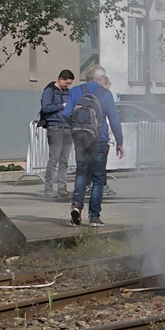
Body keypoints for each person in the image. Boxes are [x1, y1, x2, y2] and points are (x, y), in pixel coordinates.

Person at [63, 65, 124, 227]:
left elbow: (66, 113)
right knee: (97, 178)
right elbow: (114, 120)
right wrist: (120, 142)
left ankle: (76, 206)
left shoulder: (75, 91)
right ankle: (94, 217)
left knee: (81, 173)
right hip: (100, 139)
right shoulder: (105, 94)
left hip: (81, 139)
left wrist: (76, 127)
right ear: (100, 78)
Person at [38, 69, 76, 200]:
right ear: (60, 79)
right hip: (55, 127)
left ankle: (62, 188)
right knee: (53, 160)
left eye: (70, 83)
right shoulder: (49, 91)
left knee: (64, 161)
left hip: (68, 127)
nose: (68, 85)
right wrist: (62, 105)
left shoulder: (68, 92)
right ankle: (48, 188)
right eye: (66, 82)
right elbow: (46, 108)